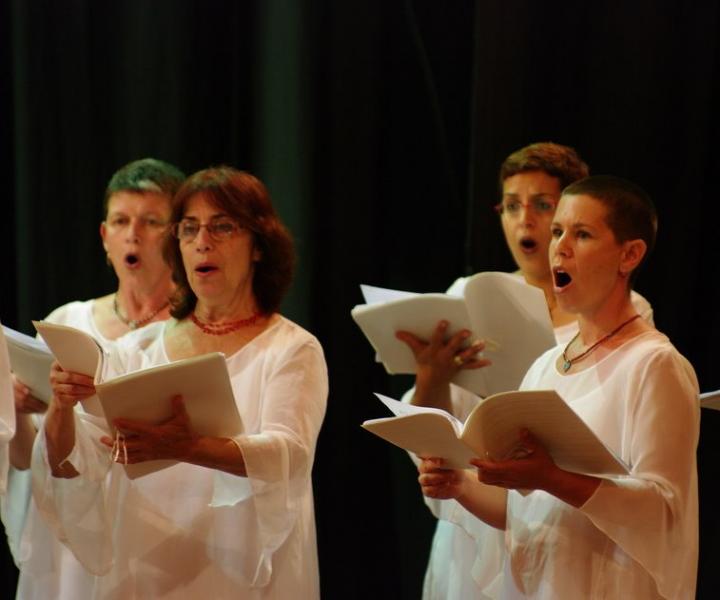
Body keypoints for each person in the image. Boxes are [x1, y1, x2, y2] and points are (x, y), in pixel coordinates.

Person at [35, 167, 328, 599]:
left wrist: (186, 447)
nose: (202, 241)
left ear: (259, 247)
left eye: (222, 227)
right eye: (189, 229)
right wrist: (61, 405)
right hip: (141, 568)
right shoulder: (136, 349)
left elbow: (289, 454)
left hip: (239, 572)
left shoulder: (291, 348)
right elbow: (72, 463)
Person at [414, 176, 698, 599]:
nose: (559, 248)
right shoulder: (547, 365)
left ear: (630, 254)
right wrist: (460, 485)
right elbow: (523, 512)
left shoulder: (655, 364)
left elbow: (662, 509)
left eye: (582, 234)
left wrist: (552, 477)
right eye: (559, 232)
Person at [5, 158, 185, 599]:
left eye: (151, 221)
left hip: (165, 527)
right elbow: (30, 460)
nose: (133, 234)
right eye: (121, 221)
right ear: (105, 237)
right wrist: (18, 408)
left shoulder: (193, 331)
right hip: (74, 530)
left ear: (178, 234)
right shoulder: (68, 321)